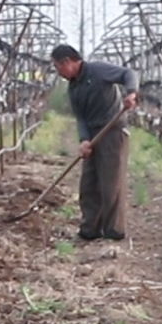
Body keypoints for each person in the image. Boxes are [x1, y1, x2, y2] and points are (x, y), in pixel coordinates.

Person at [50, 44, 139, 241]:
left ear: (68, 62)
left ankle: (114, 231)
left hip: (112, 131)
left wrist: (131, 93)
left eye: (57, 67)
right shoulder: (73, 88)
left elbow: (128, 74)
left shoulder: (98, 70)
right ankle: (89, 229)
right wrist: (84, 140)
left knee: (110, 184)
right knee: (88, 184)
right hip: (92, 135)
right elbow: (80, 118)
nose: (58, 72)